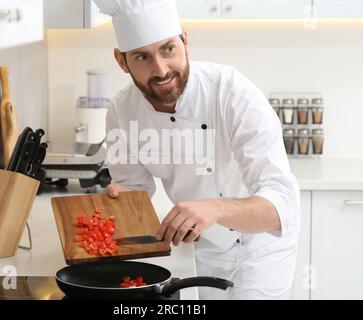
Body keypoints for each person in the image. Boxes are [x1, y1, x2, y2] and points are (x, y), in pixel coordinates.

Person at [94, 0, 300, 299]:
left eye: (168, 49)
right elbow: (133, 188)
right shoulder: (121, 111)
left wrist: (214, 209)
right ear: (121, 61)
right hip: (202, 246)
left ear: (185, 42)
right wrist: (122, 199)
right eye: (142, 57)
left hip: (262, 246)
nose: (161, 69)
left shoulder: (232, 93)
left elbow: (282, 206)